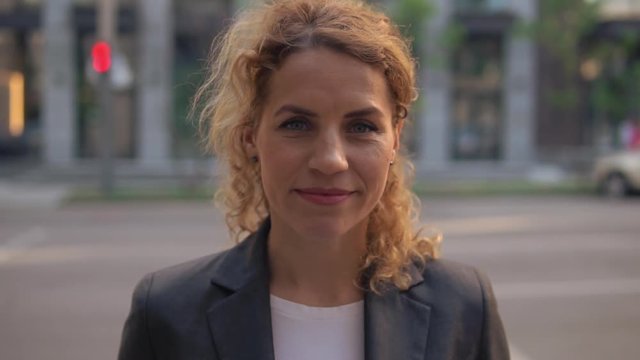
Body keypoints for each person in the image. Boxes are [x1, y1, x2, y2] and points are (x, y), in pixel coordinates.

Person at [117, 0, 509, 359]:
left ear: (396, 139)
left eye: (361, 126)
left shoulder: (462, 307)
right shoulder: (166, 314)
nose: (330, 160)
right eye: (298, 124)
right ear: (252, 135)